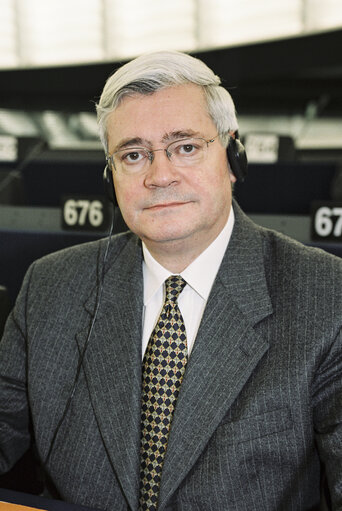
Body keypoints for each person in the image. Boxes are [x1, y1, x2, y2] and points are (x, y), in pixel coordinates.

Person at [0, 50, 342, 511]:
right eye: (134, 154)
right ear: (111, 175)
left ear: (233, 155)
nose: (160, 176)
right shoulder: (50, 287)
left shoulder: (325, 295)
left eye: (185, 147)